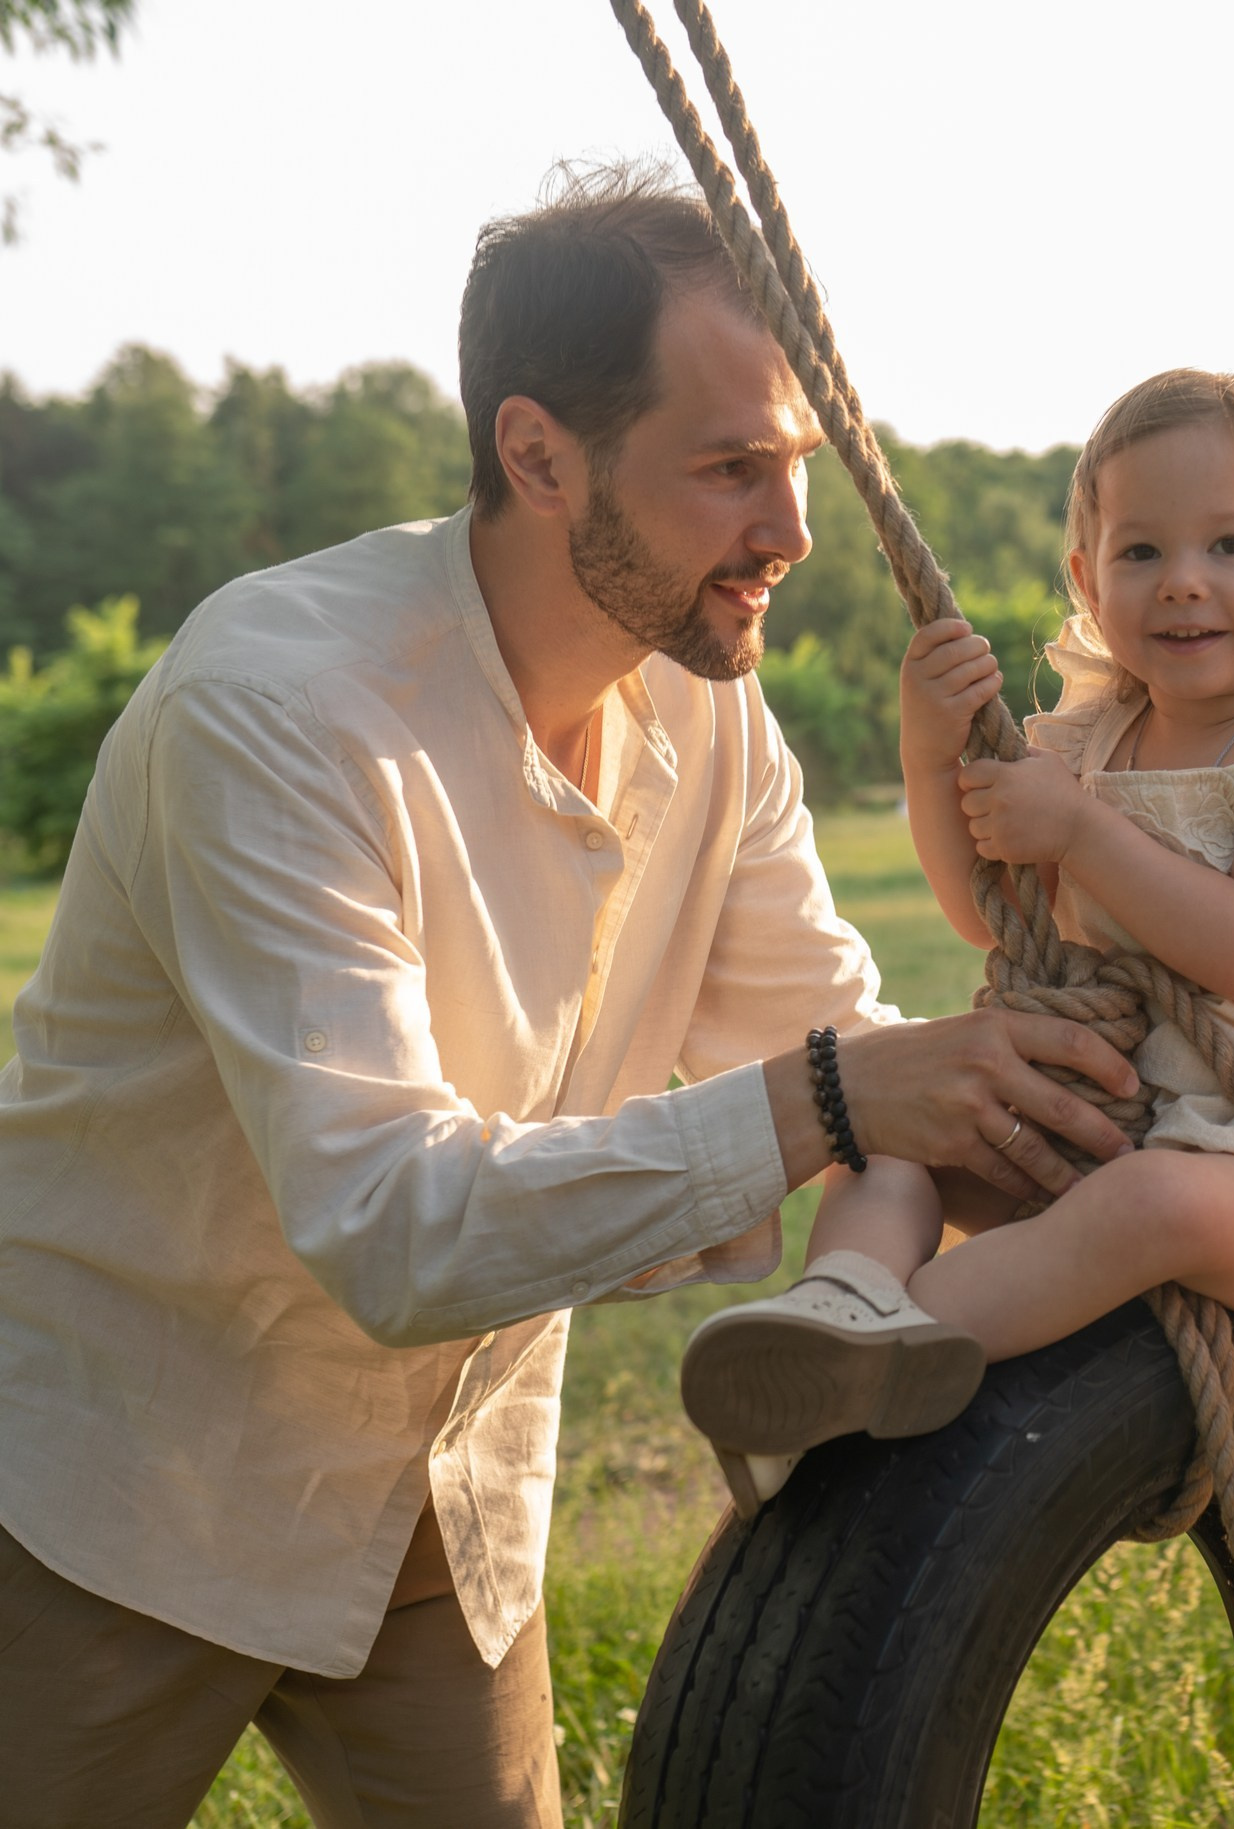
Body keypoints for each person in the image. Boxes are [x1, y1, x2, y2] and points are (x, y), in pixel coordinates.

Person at [0, 167, 1143, 1827]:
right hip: (123, 1495)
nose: (794, 531)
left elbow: (837, 1046)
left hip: (444, 1518)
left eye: (800, 467)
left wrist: (1172, 1174)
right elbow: (398, 1225)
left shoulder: (716, 713)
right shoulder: (275, 707)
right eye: (729, 466)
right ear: (537, 454)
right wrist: (839, 1094)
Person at [679, 370, 1234, 1513]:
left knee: (1157, 1210)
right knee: (900, 1122)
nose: (1182, 582)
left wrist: (1078, 826)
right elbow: (989, 913)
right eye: (1141, 553)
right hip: (1113, 1125)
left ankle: (889, 1355)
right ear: (1087, 578)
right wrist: (930, 755)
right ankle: (844, 1302)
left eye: (1231, 544)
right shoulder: (1092, 736)